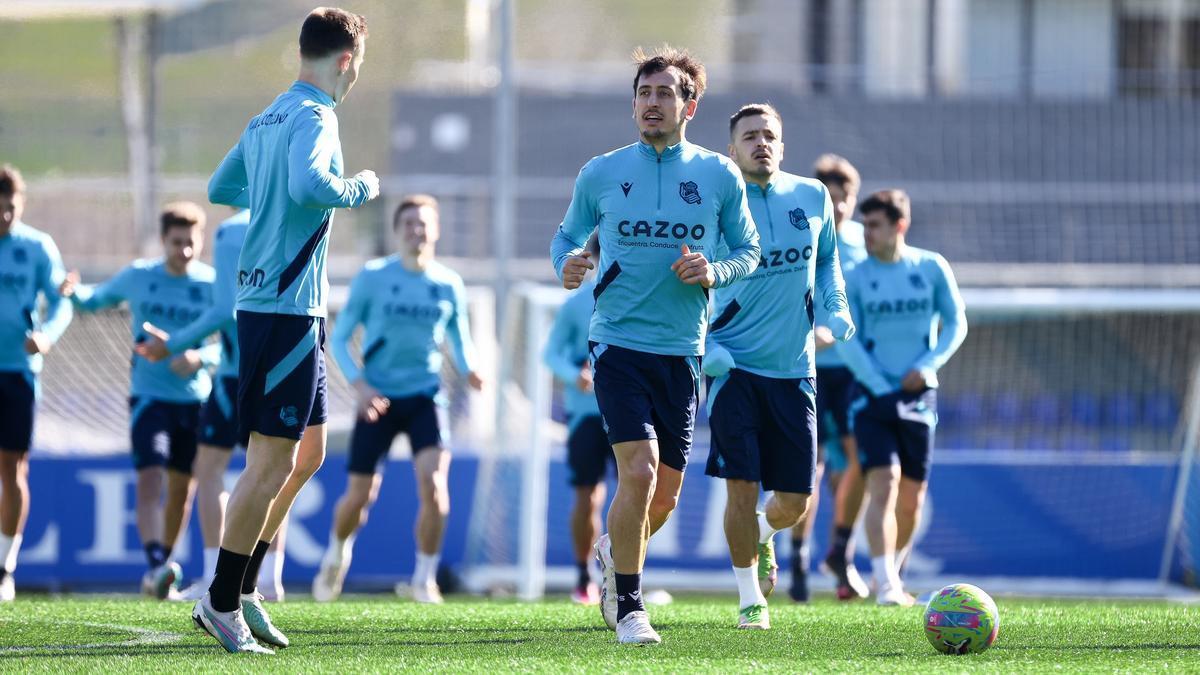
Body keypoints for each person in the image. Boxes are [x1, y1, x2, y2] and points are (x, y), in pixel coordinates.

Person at [550, 45, 760, 644]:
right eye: (644, 93)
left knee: (663, 494)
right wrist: (565, 260)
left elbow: (749, 251)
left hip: (682, 351)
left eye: (665, 93)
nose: (651, 103)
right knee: (636, 472)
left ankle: (613, 555)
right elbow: (567, 234)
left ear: (689, 104)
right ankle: (630, 605)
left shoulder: (718, 176)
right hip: (616, 343)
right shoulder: (602, 171)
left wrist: (713, 270)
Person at [192, 7, 379, 654]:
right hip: (281, 307)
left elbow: (222, 186)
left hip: (287, 307)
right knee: (269, 461)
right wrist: (360, 187)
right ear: (346, 60)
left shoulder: (268, 115)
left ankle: (241, 589)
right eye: (359, 66)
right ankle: (219, 599)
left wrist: (266, 193)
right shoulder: (316, 115)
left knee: (308, 453)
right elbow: (311, 184)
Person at [703, 104, 854, 629]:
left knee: (794, 503)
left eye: (770, 135)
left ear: (783, 146)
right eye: (750, 136)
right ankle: (750, 598)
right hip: (733, 367)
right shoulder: (716, 201)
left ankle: (764, 536)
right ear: (732, 149)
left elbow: (828, 261)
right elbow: (685, 279)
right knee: (741, 486)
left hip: (795, 370)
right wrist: (706, 347)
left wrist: (836, 309)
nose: (761, 143)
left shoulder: (812, 196)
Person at [313, 194, 482, 604]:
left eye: (423, 224)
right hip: (378, 399)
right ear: (397, 231)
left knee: (435, 487)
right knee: (360, 497)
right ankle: (337, 554)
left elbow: (458, 335)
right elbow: (337, 337)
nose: (416, 231)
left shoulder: (448, 283)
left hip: (426, 396)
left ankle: (424, 578)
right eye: (408, 224)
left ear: (436, 230)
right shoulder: (373, 277)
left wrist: (470, 367)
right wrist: (360, 386)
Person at [60, 202, 216, 601]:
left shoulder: (212, 285)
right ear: (163, 240)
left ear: (200, 242)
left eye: (190, 243)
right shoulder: (139, 276)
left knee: (183, 490)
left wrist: (200, 357)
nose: (183, 251)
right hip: (150, 398)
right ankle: (156, 565)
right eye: (176, 242)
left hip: (196, 402)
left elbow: (232, 347)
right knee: (151, 478)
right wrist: (70, 291)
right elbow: (94, 301)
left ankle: (161, 569)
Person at [136, 209, 289, 602]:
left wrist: (172, 344)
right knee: (273, 471)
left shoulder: (235, 228)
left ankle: (212, 574)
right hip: (284, 367)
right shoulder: (299, 214)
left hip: (235, 375)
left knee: (211, 471)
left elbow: (224, 312)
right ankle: (267, 576)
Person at [837, 189, 967, 605]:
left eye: (875, 225)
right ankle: (886, 582)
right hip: (872, 397)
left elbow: (955, 323)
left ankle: (890, 572)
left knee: (912, 500)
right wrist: (875, 381)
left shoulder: (930, 267)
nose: (867, 234)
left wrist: (929, 365)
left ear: (900, 225)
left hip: (918, 396)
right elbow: (845, 335)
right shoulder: (855, 276)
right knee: (884, 483)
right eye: (865, 225)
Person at [790, 154, 870, 602]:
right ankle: (800, 556)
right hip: (806, 371)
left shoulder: (863, 243)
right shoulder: (799, 232)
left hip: (854, 373)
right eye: (832, 198)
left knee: (862, 463)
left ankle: (840, 551)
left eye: (847, 199)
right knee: (811, 472)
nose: (839, 208)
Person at [0, 164, 72, 602]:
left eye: (10, 208)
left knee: (12, 469)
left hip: (19, 375)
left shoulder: (37, 246)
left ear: (20, 205)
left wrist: (46, 335)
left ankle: (4, 568)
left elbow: (62, 303)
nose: (4, 216)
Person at [543, 235, 610, 606]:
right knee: (588, 497)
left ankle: (627, 575)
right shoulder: (576, 305)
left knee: (642, 492)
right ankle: (584, 574)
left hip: (631, 415)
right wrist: (575, 375)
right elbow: (551, 354)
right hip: (586, 415)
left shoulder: (640, 302)